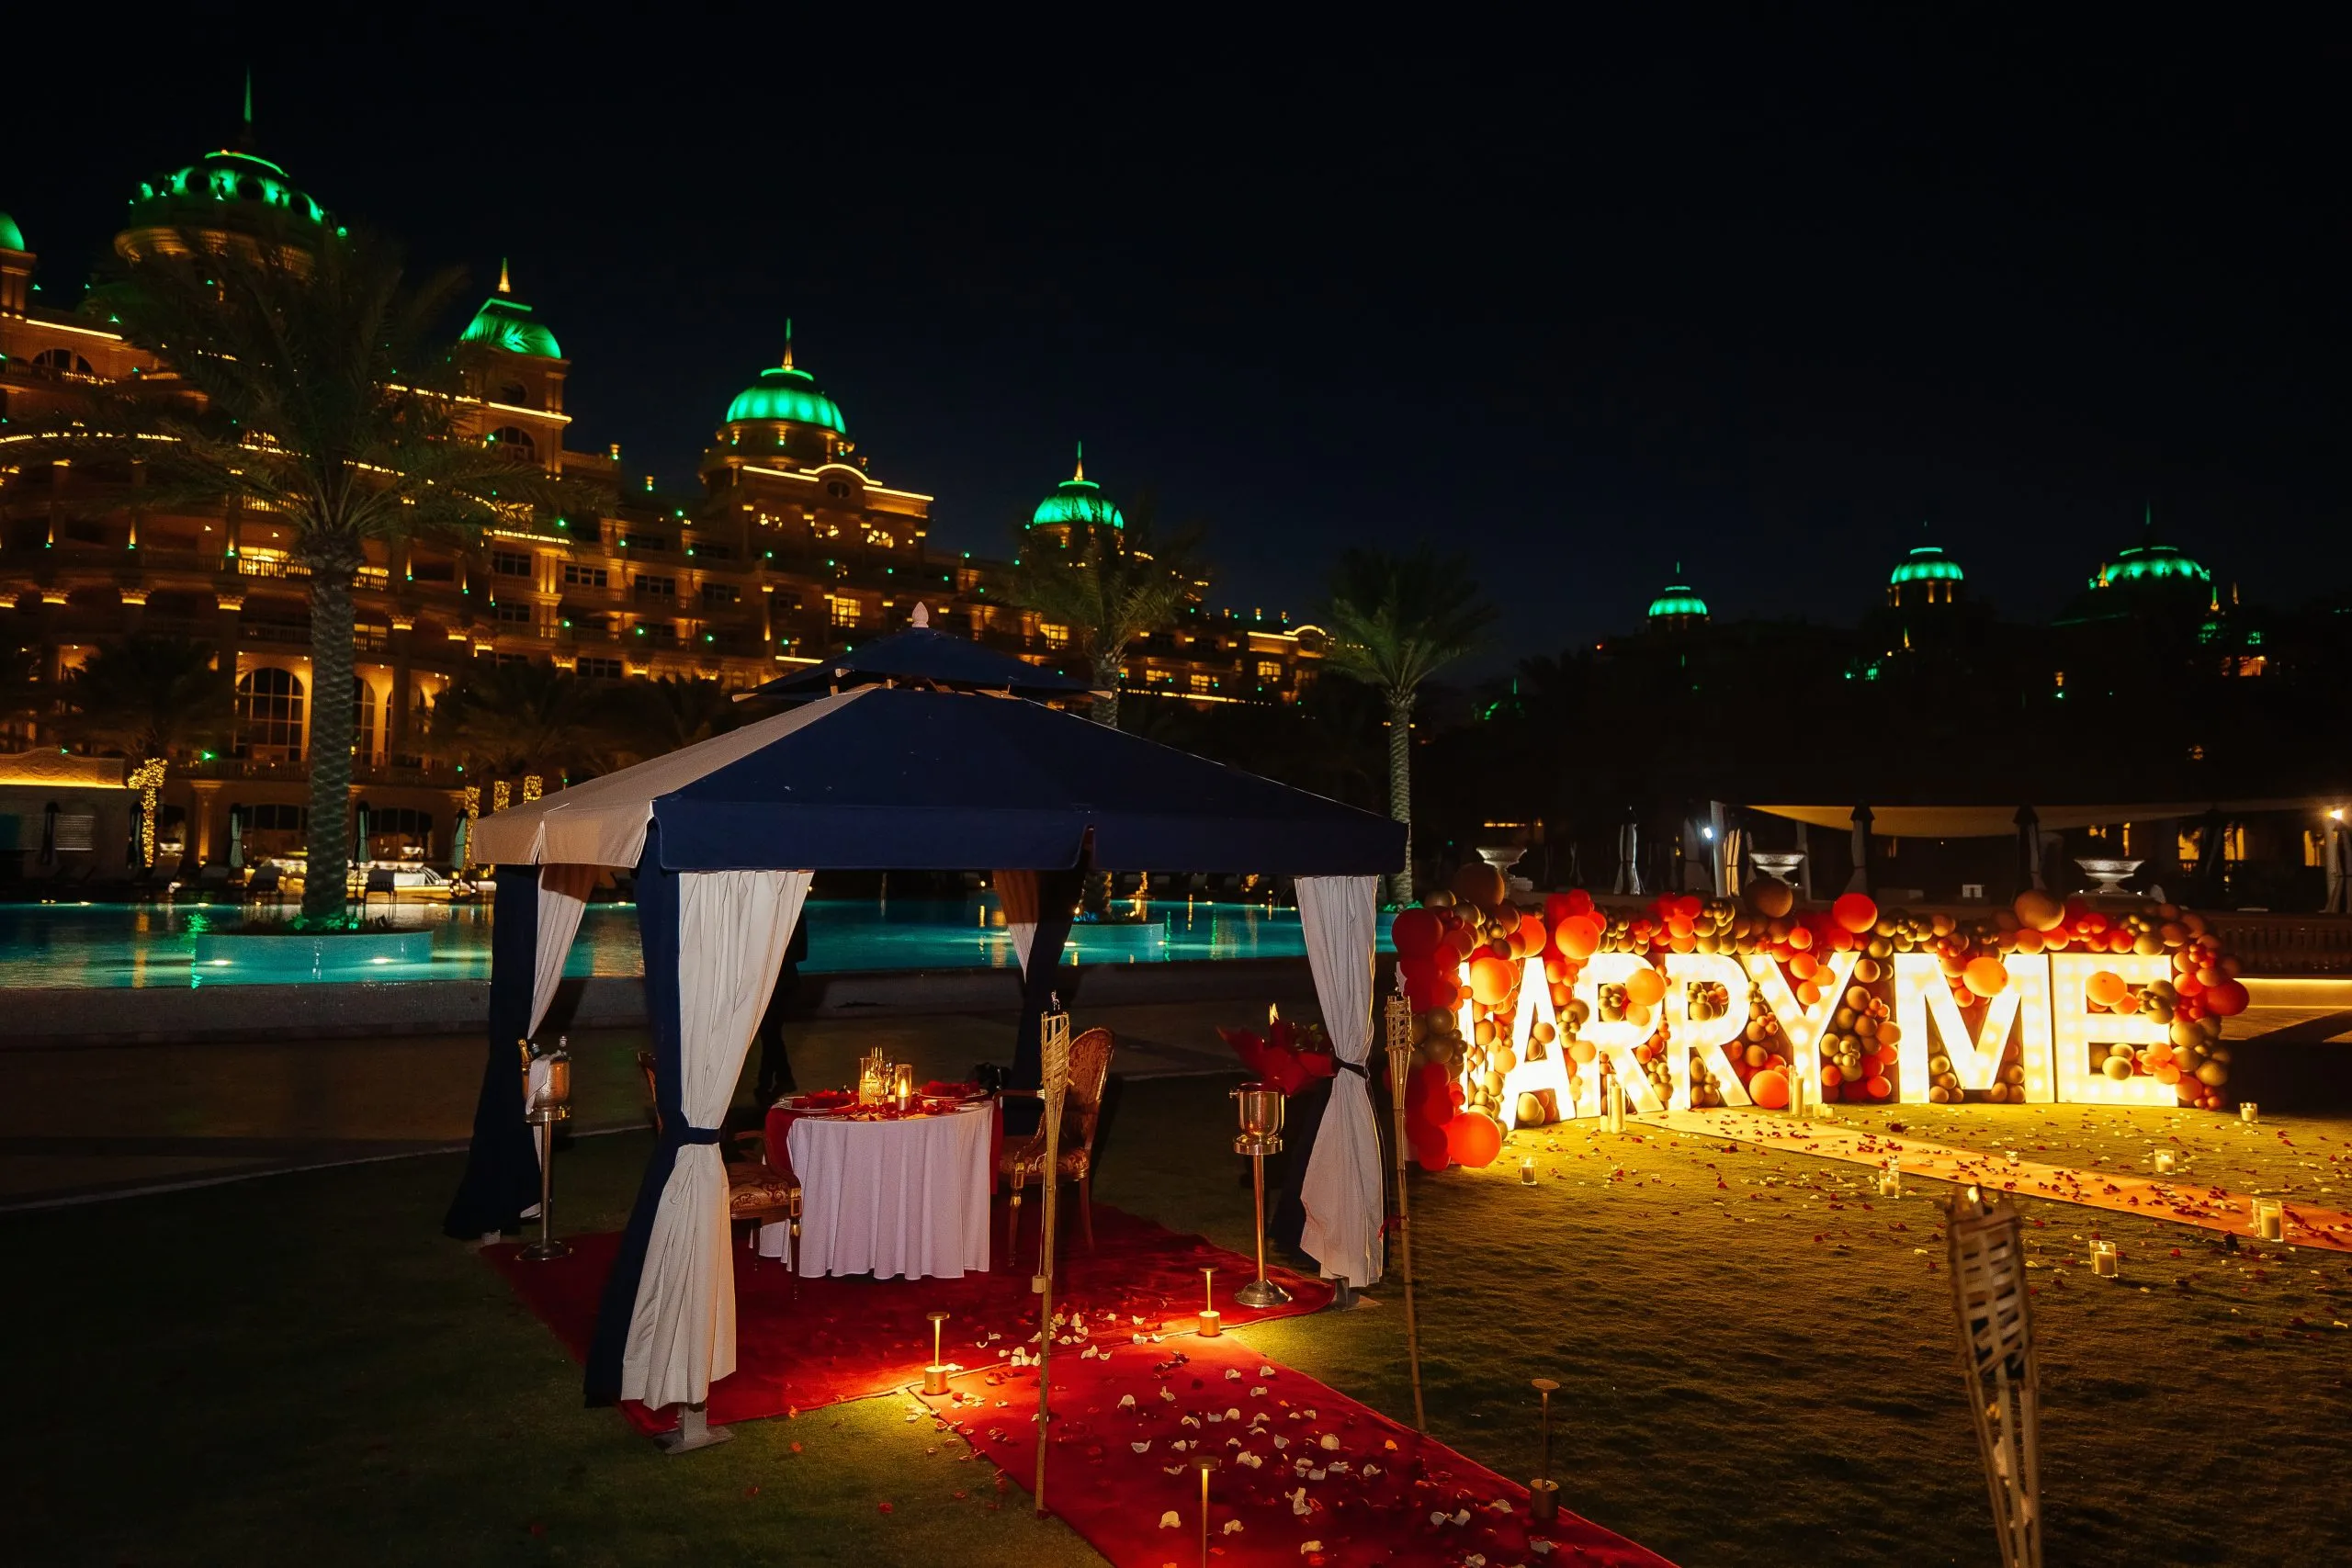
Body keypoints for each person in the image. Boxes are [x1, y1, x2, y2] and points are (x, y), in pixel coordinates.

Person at [752, 908, 811, 1106]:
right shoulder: (780, 911)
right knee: (770, 1034)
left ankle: (770, 1084)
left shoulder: (791, 912)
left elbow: (800, 952)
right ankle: (773, 1082)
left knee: (770, 1033)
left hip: (781, 982)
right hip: (774, 981)